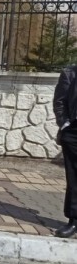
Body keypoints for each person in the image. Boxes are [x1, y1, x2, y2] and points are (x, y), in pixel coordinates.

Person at [53, 64, 77, 239]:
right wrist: (65, 125)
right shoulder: (70, 73)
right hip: (74, 133)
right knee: (74, 178)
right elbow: (59, 101)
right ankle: (74, 220)